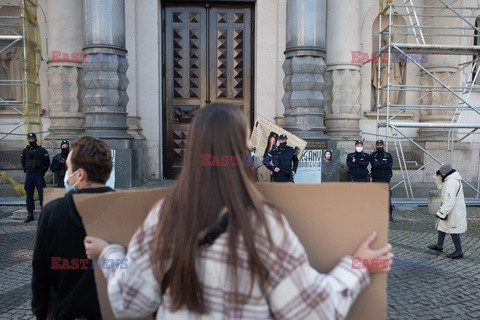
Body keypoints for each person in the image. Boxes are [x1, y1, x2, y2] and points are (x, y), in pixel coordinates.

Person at [84, 103, 393, 319]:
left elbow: (130, 301)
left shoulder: (165, 214)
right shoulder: (264, 223)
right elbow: (310, 310)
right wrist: (358, 266)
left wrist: (110, 254)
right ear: (241, 151)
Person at [32, 136, 114, 319]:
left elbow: (41, 275)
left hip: (67, 313)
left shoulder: (52, 213)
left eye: (68, 169)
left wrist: (41, 312)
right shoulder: (127, 209)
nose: (67, 175)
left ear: (80, 175)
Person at [427, 164, 467, 259]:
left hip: (453, 210)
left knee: (454, 230)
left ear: (445, 173)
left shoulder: (451, 182)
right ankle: (439, 246)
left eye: (441, 174)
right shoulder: (450, 180)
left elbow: (450, 201)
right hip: (451, 209)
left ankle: (459, 251)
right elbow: (441, 187)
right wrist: (437, 177)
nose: (441, 175)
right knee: (442, 226)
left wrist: (441, 212)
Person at [20, 133, 50, 223]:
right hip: (29, 175)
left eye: (33, 139)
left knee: (42, 194)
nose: (31, 141)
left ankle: (44, 214)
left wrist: (42, 172)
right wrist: (27, 170)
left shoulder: (42, 150)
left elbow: (47, 162)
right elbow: (23, 162)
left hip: (38, 175)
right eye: (30, 139)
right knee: (29, 194)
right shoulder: (25, 151)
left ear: (36, 139)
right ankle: (30, 214)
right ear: (28, 140)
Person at [370, 140, 394, 221]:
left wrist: (380, 164)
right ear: (376, 146)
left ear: (383, 145)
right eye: (378, 145)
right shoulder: (373, 155)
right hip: (376, 179)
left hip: (385, 180)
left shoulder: (388, 155)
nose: (379, 146)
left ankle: (389, 215)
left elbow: (389, 165)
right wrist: (383, 164)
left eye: (380, 145)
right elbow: (374, 164)